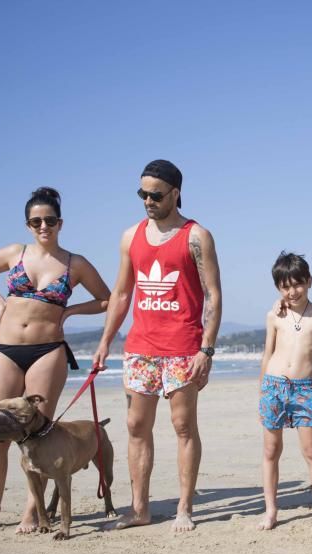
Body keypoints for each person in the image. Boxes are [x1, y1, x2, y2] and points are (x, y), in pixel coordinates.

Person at [0, 187, 110, 533]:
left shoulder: (74, 263)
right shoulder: (14, 253)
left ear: (60, 222)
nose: (43, 226)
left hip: (48, 351)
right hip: (5, 348)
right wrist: (0, 303)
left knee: (41, 434)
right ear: (28, 225)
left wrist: (70, 310)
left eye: (49, 220)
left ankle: (34, 513)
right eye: (36, 221)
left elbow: (107, 299)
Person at [92, 160, 221, 532]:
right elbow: (120, 294)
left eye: (156, 194)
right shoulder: (130, 236)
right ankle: (140, 508)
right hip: (140, 349)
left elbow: (213, 294)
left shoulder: (197, 236)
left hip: (183, 347)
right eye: (142, 194)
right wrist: (104, 343)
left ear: (175, 194)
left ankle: (184, 508)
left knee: (183, 426)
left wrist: (206, 349)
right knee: (135, 426)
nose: (148, 200)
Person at [258, 252, 312, 530]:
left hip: (303, 389)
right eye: (285, 286)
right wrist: (261, 391)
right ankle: (270, 511)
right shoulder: (274, 315)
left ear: (309, 281)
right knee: (271, 450)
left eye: (298, 284)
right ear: (279, 288)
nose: (292, 291)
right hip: (273, 386)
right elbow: (267, 355)